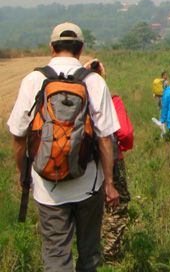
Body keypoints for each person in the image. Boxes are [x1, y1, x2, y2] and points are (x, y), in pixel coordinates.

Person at [8, 22, 120, 271]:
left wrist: (24, 174)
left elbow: (17, 135)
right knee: (89, 254)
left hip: (48, 189)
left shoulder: (34, 80)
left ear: (51, 48)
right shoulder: (94, 82)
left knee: (56, 255)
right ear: (81, 49)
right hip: (89, 184)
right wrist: (110, 183)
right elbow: (105, 138)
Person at [84, 59, 133, 262]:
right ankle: (110, 256)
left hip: (82, 164)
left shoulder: (76, 100)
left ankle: (89, 252)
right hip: (111, 160)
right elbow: (125, 133)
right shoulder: (112, 100)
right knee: (116, 206)